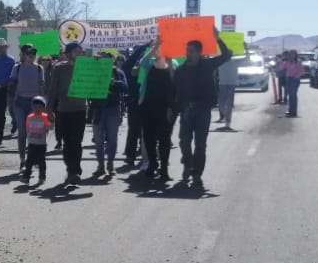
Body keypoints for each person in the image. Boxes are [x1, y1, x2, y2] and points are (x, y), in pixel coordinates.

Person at [173, 31, 233, 187]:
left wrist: (218, 38)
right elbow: (175, 91)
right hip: (186, 111)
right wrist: (174, 109)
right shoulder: (181, 69)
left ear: (199, 52)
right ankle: (188, 163)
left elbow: (226, 55)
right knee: (184, 142)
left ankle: (197, 174)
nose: (188, 53)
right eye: (187, 50)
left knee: (200, 145)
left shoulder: (208, 65)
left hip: (203, 111)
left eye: (191, 51)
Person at [46, 42, 90, 184]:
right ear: (69, 53)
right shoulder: (59, 68)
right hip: (64, 110)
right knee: (66, 142)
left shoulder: (86, 67)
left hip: (80, 110)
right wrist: (49, 110)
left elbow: (94, 84)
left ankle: (74, 170)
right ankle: (71, 169)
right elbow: (52, 90)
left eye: (81, 51)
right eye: (77, 51)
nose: (80, 53)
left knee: (76, 141)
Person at [137, 44, 178, 182]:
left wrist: (172, 108)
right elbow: (142, 62)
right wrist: (154, 48)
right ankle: (153, 164)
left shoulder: (173, 64)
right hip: (147, 107)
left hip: (165, 109)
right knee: (149, 138)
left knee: (164, 140)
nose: (158, 50)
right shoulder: (149, 63)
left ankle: (164, 169)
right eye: (156, 48)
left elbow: (175, 87)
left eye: (161, 48)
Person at [6, 44, 46, 171]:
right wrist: (10, 101)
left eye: (34, 54)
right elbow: (11, 85)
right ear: (24, 55)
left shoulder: (39, 69)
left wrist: (44, 106)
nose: (32, 56)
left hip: (35, 104)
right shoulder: (16, 68)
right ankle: (22, 159)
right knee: (22, 132)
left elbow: (42, 87)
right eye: (29, 54)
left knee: (33, 133)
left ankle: (32, 158)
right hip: (20, 103)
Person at [90, 53, 129, 178]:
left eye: (108, 60)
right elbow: (87, 90)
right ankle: (100, 166)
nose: (105, 62)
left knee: (112, 140)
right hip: (98, 110)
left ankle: (110, 164)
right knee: (99, 140)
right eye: (102, 60)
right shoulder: (94, 73)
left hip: (113, 110)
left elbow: (125, 88)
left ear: (112, 61)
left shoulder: (118, 73)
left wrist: (113, 82)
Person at [21, 95, 53, 187]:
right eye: (35, 106)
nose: (37, 108)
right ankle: (26, 177)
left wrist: (52, 120)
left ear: (43, 108)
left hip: (41, 144)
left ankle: (42, 177)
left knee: (41, 161)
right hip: (31, 143)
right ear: (32, 107)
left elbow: (50, 127)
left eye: (40, 107)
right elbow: (27, 129)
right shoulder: (29, 117)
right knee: (29, 161)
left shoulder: (45, 117)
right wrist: (29, 139)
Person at [216, 45, 241, 129]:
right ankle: (226, 117)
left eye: (229, 54)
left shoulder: (235, 62)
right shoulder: (220, 62)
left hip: (231, 84)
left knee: (229, 105)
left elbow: (247, 60)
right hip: (222, 84)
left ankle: (228, 123)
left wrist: (246, 50)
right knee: (221, 104)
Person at [281, 50, 306, 117]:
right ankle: (290, 110)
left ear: (295, 55)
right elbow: (282, 68)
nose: (292, 55)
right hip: (288, 79)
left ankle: (294, 112)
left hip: (295, 80)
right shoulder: (288, 62)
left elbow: (302, 71)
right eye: (290, 54)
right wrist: (284, 60)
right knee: (290, 96)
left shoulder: (298, 62)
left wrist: (296, 77)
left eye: (293, 54)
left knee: (293, 95)